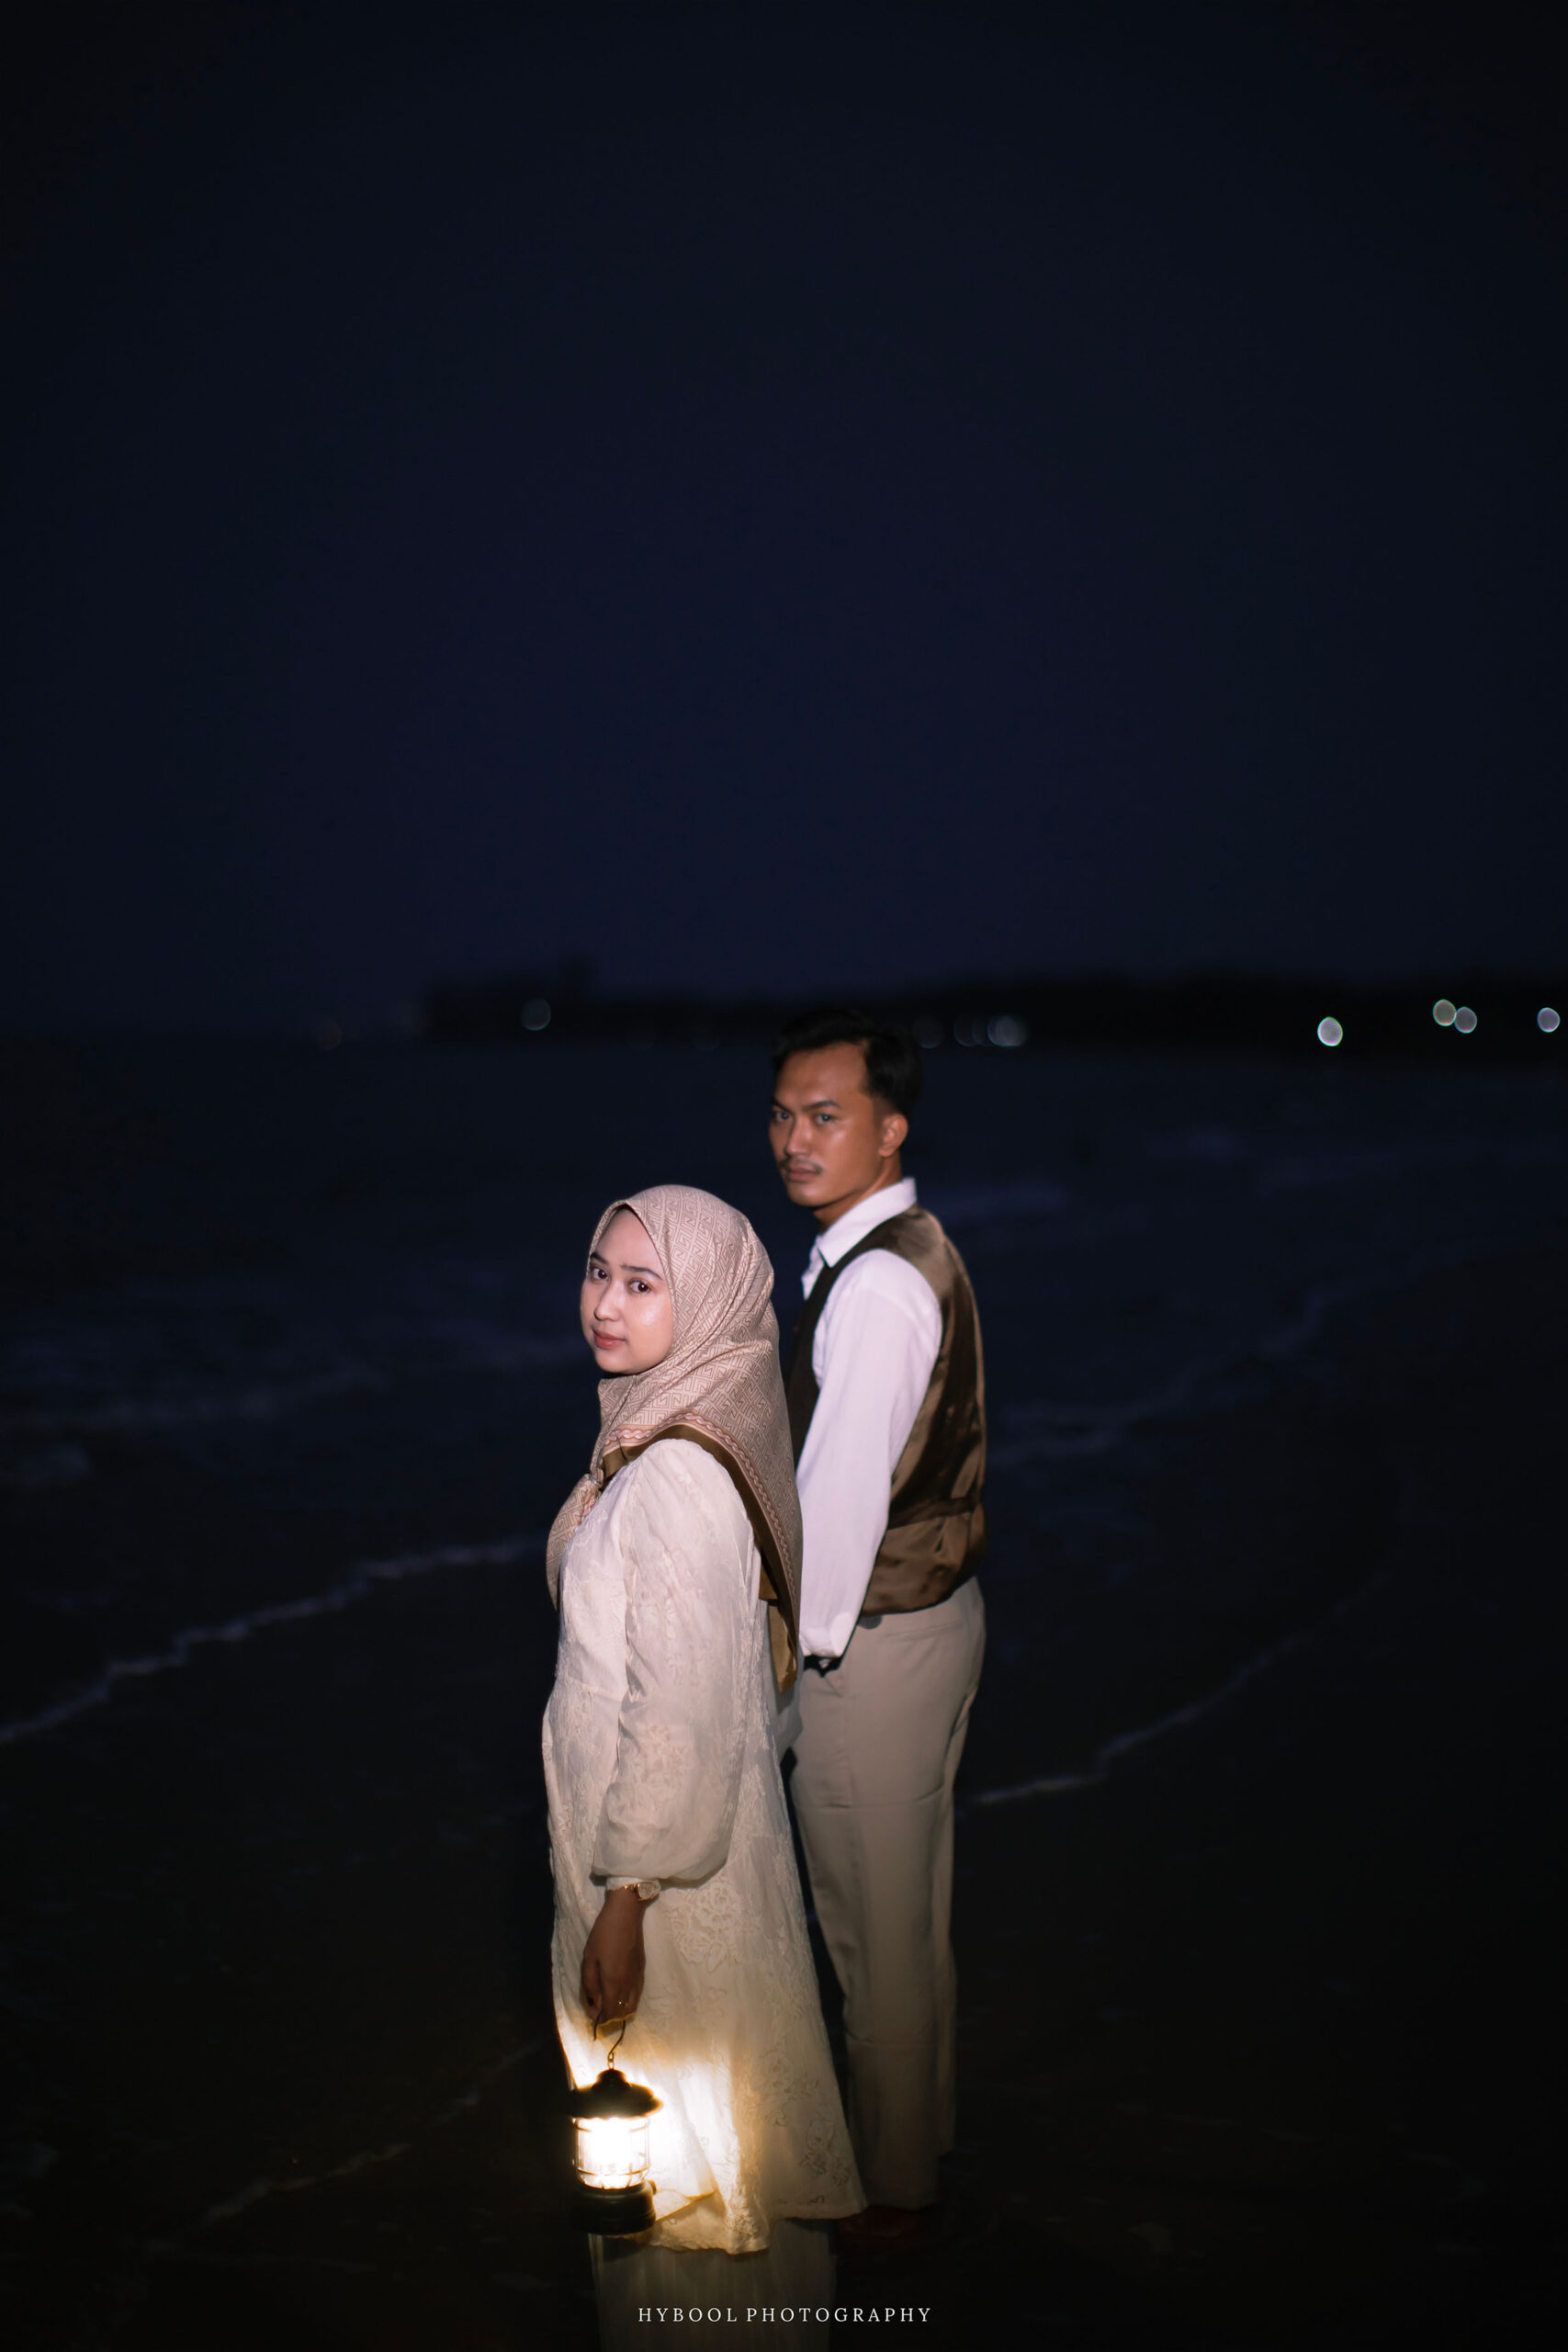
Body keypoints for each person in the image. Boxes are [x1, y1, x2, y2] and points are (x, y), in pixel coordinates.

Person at [543, 1184, 863, 2335]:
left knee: (678, 2169)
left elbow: (676, 1709)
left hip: (665, 1884)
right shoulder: (665, 1439)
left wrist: (626, 1898)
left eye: (644, 1283)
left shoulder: (678, 1472)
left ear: (713, 1302)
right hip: (683, 1859)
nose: (606, 1303)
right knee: (695, 2160)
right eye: (599, 1271)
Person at [768, 1009, 987, 2245]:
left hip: (874, 1651)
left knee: (871, 1939)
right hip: (929, 1619)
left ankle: (896, 2195)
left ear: (889, 1128)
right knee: (909, 1920)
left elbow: (837, 1511)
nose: (794, 1140)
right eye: (782, 1114)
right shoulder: (909, 1246)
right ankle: (920, 2145)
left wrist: (779, 1673)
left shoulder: (874, 1287)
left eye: (826, 1116)